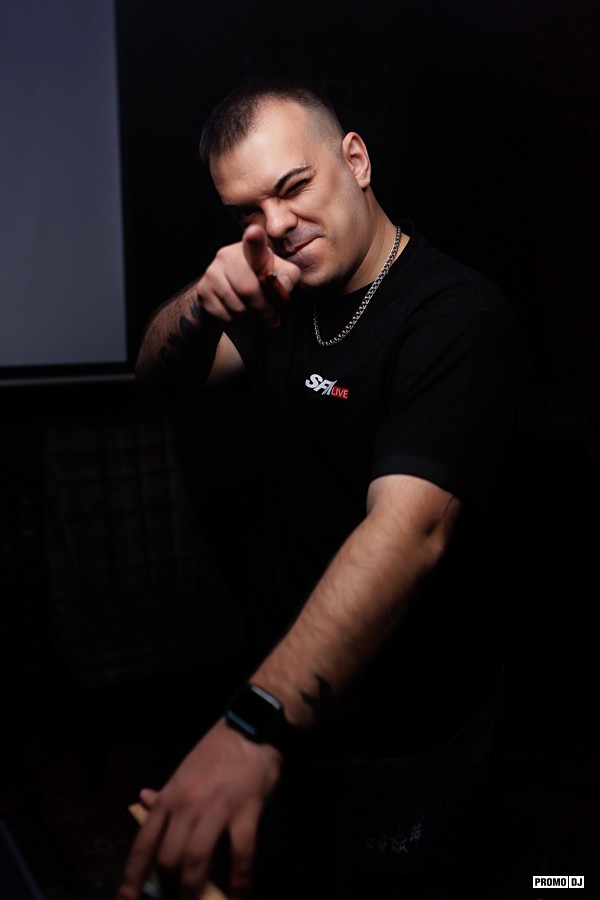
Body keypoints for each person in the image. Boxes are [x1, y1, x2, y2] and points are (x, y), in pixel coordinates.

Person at [117, 75, 526, 900]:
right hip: (290, 698)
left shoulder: (454, 316)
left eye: (293, 187)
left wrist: (250, 726)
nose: (275, 226)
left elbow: (407, 534)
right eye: (247, 212)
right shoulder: (282, 295)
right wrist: (203, 303)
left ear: (357, 161)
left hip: (401, 730)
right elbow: (155, 375)